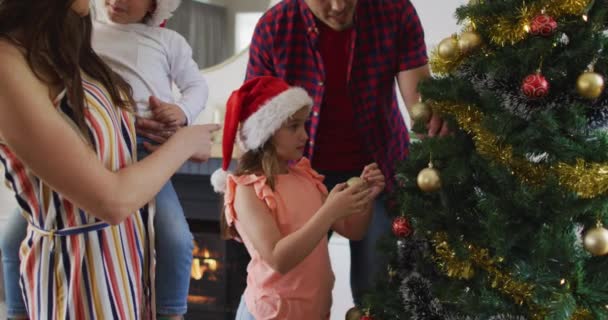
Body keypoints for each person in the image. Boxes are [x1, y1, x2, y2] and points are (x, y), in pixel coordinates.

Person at [0, 0, 219, 319]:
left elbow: (102, 134)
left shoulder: (68, 47)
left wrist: (173, 131)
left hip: (123, 266)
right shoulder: (11, 61)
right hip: (77, 278)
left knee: (175, 238)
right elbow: (110, 200)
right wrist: (184, 144)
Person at [245, 0, 449, 303]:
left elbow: (421, 106)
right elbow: (254, 125)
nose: (339, 6)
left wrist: (438, 123)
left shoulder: (395, 11)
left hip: (378, 175)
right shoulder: (274, 27)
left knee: (378, 292)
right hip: (299, 181)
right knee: (290, 292)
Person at [209, 76, 386, 319]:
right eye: (293, 127)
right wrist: (329, 212)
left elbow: (353, 230)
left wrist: (365, 198)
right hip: (270, 314)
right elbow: (279, 258)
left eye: (304, 125)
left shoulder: (305, 177)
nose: (305, 135)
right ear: (267, 132)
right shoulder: (247, 189)